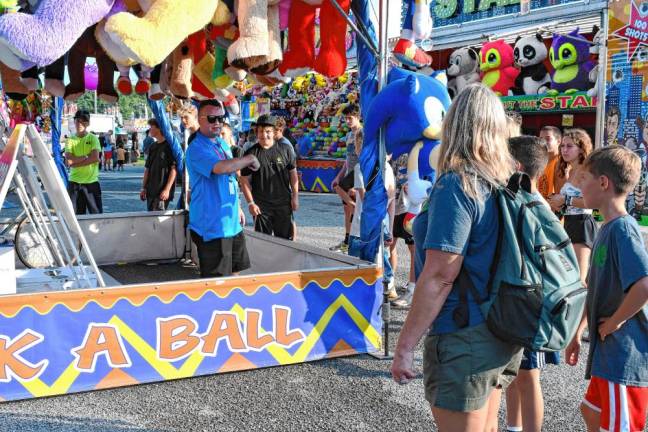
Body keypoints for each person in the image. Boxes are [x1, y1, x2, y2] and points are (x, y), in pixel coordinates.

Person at [391, 84, 522, 432]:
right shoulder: (505, 181)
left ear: (454, 125)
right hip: (503, 328)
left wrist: (405, 345)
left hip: (465, 333)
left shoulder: (458, 184)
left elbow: (439, 276)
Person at [565, 145, 648, 432]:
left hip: (624, 357)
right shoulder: (608, 228)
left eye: (584, 178)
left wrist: (614, 322)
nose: (579, 185)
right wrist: (578, 332)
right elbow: (598, 289)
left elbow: (644, 285)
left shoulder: (623, 230)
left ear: (603, 183)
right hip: (609, 355)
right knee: (591, 413)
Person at [505, 135, 559, 432]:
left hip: (531, 304)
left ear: (516, 166)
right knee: (514, 371)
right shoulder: (524, 200)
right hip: (519, 300)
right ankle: (513, 426)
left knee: (529, 374)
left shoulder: (535, 206)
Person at [186, 99, 260, 278]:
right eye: (212, 118)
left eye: (221, 118)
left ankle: (236, 305)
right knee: (216, 282)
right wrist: (249, 158)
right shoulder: (196, 148)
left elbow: (231, 176)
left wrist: (239, 207)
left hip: (231, 224)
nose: (217, 123)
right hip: (212, 226)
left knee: (235, 273)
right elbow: (221, 168)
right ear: (200, 119)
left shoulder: (221, 143)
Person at [548, 128, 598, 283]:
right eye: (562, 146)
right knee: (569, 277)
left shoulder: (586, 171)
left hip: (582, 224)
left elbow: (592, 202)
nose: (564, 150)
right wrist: (557, 203)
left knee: (580, 279)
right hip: (569, 222)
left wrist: (565, 200)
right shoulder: (570, 171)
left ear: (581, 148)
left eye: (569, 146)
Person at [241, 115, 299, 240]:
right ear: (256, 132)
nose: (264, 135)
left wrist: (295, 197)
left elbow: (293, 175)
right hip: (261, 207)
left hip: (283, 203)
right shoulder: (251, 153)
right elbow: (244, 179)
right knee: (263, 243)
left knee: (285, 242)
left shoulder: (286, 149)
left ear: (274, 133)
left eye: (268, 131)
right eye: (261, 131)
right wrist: (250, 203)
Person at [330, 104, 362, 253]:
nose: (348, 121)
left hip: (358, 173)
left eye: (350, 118)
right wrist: (338, 176)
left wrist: (357, 184)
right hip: (350, 171)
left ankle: (355, 243)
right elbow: (347, 160)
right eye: (346, 119)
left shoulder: (362, 133)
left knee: (351, 206)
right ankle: (347, 241)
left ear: (358, 117)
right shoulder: (349, 135)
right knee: (346, 209)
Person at [390, 153, 419, 308]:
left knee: (414, 247)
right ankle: (389, 284)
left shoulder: (419, 147)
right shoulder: (395, 145)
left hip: (412, 205)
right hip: (394, 202)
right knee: (389, 243)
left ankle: (412, 290)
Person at [65, 110, 103, 214]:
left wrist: (75, 162)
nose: (80, 124)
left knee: (97, 217)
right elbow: (68, 161)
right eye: (78, 121)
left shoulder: (93, 138)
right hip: (74, 183)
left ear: (88, 123)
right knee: (76, 217)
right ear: (74, 122)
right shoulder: (70, 140)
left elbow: (95, 158)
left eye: (83, 122)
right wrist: (86, 157)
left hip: (91, 183)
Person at [139, 118, 177, 211]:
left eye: (151, 127)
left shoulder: (169, 146)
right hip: (150, 191)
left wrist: (167, 189)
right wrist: (143, 188)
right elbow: (147, 169)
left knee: (158, 220)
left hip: (161, 192)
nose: (149, 129)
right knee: (151, 219)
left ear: (160, 128)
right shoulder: (152, 146)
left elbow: (173, 169)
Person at [537, 125, 562, 199]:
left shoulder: (561, 163)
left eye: (548, 139)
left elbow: (560, 196)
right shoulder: (539, 162)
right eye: (541, 139)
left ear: (558, 141)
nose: (543, 142)